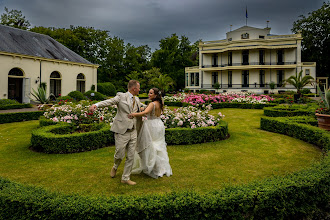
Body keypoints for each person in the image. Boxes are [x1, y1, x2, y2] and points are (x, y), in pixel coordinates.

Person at [89, 80, 144, 185]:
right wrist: (96, 105)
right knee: (119, 154)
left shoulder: (137, 99)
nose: (140, 89)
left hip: (133, 131)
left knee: (131, 156)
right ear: (134, 88)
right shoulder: (121, 96)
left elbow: (143, 107)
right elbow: (108, 102)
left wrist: (155, 106)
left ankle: (125, 178)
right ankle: (115, 166)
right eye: (139, 87)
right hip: (121, 131)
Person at [128, 88, 172, 179]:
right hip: (159, 124)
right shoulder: (160, 103)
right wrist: (144, 108)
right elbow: (149, 110)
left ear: (155, 95)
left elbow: (145, 112)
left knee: (149, 145)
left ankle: (152, 167)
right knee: (158, 145)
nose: (149, 94)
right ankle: (160, 167)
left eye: (151, 93)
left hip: (151, 125)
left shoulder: (152, 104)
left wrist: (134, 114)